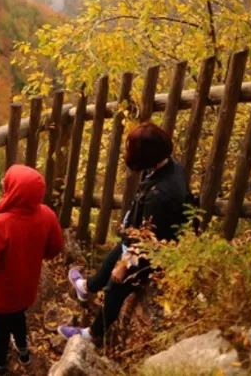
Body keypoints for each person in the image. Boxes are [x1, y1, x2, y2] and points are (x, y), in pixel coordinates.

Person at [58, 121, 193, 343]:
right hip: (140, 239)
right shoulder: (170, 167)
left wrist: (124, 266)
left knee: (115, 288)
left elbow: (147, 243)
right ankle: (87, 287)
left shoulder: (162, 195)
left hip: (153, 255)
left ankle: (92, 334)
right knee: (114, 254)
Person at [0, 164, 64, 375]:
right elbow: (55, 247)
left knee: (0, 329)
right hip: (26, 286)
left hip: (0, 293)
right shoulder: (46, 215)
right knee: (18, 316)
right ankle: (23, 352)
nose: (4, 185)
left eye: (7, 183)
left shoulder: (1, 223)